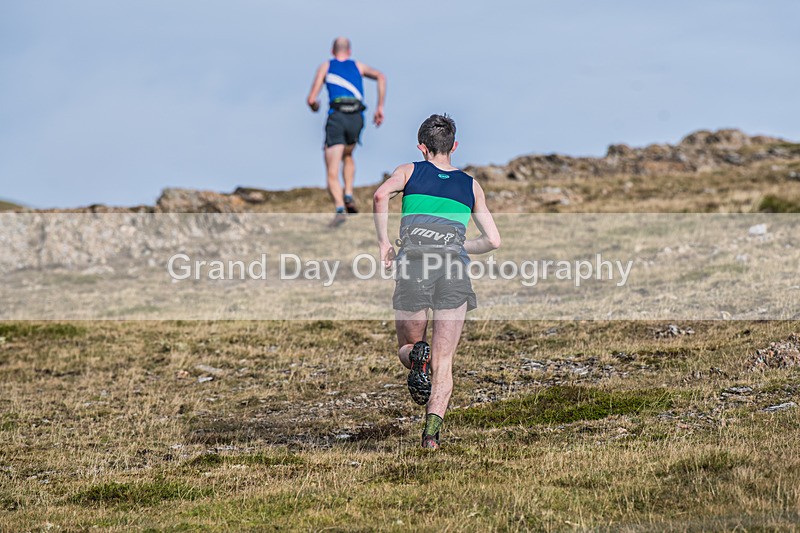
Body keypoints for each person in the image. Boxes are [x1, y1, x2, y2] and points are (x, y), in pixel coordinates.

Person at [372, 114, 501, 449]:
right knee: (444, 362)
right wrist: (459, 245)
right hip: (454, 270)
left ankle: (417, 356)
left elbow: (379, 196)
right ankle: (431, 437)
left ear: (421, 147)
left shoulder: (410, 171)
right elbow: (493, 241)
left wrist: (385, 243)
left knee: (410, 348)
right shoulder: (471, 185)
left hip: (414, 263)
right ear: (454, 147)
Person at [307, 37, 386, 228]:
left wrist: (315, 105)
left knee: (332, 170)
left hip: (338, 117)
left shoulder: (326, 67)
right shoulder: (358, 66)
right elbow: (381, 76)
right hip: (356, 117)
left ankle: (340, 208)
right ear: (349, 51)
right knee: (349, 153)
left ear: (332, 51)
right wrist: (380, 107)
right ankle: (349, 192)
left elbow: (311, 99)